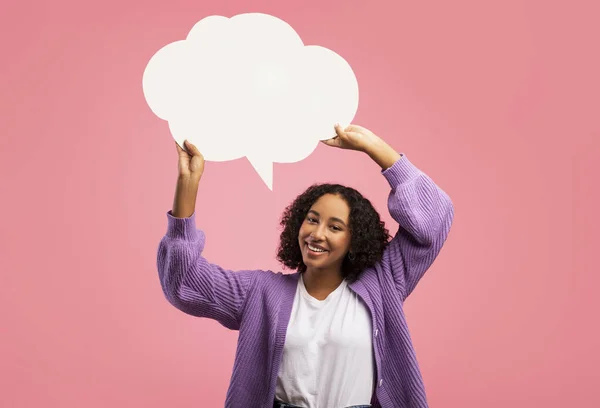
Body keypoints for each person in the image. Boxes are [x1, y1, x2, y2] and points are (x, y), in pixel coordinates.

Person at [157, 124, 454, 408]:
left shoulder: (382, 282)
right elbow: (184, 282)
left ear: (356, 240)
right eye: (312, 219)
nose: (317, 233)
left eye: (335, 227)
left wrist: (372, 147)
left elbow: (436, 216)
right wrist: (187, 183)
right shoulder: (261, 292)